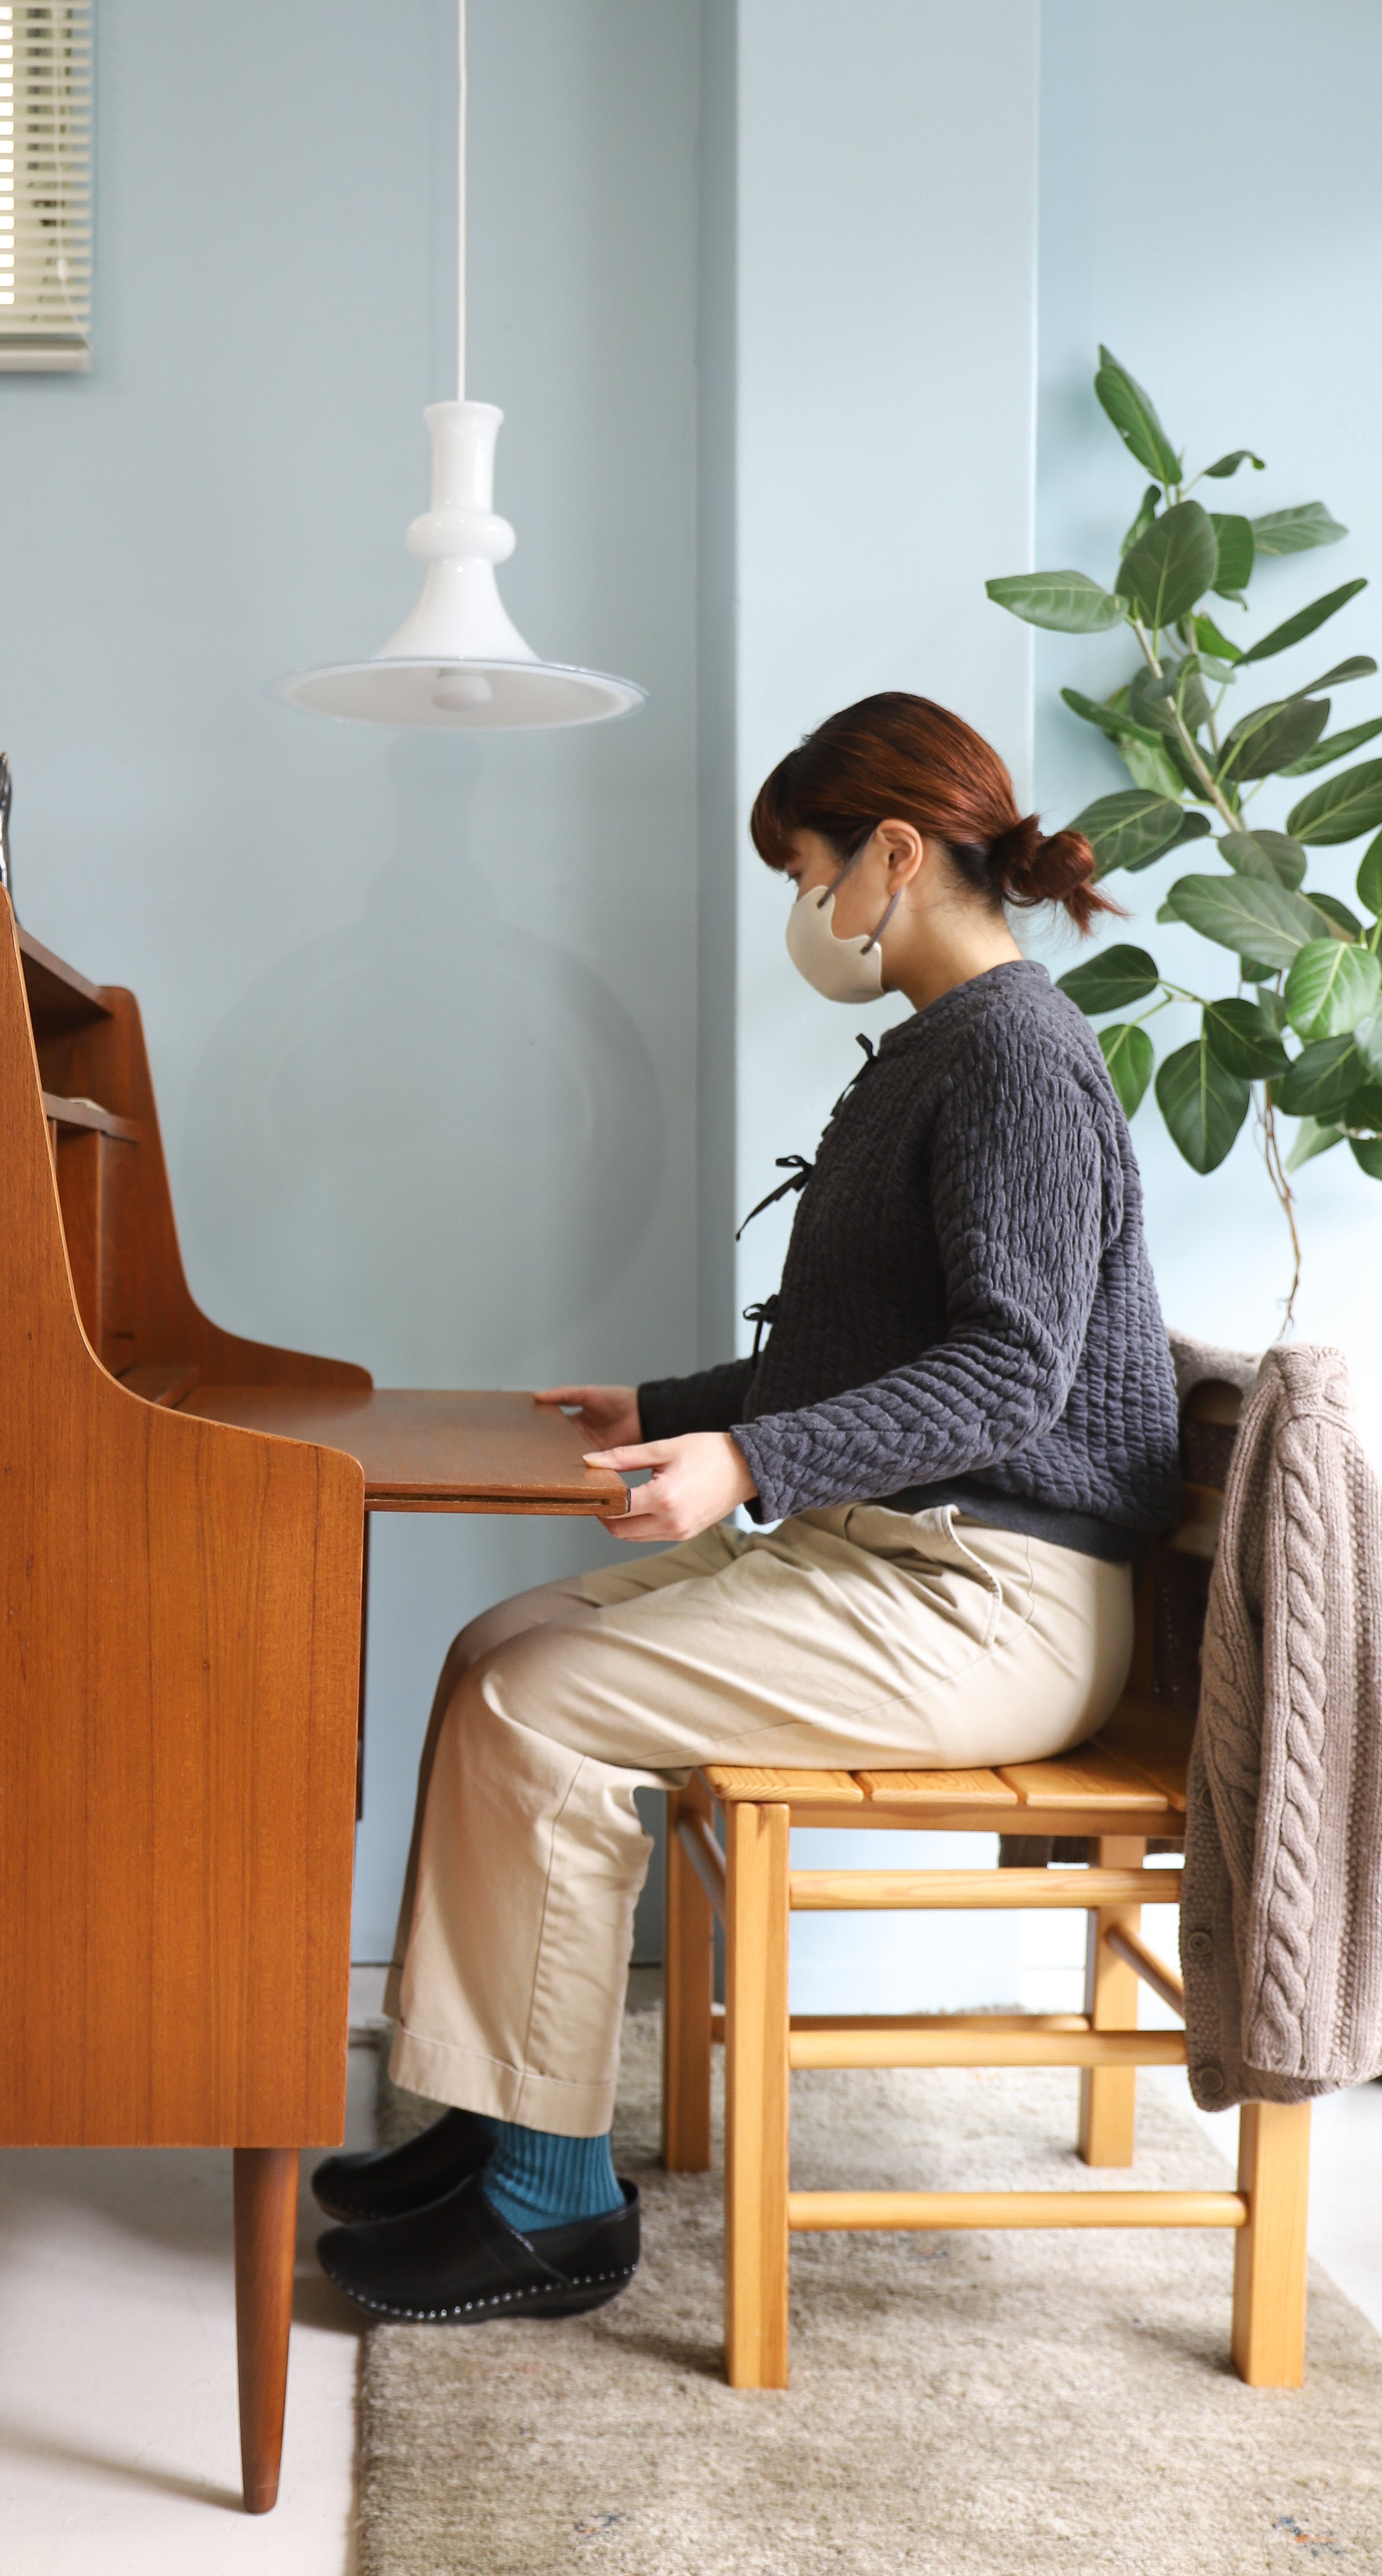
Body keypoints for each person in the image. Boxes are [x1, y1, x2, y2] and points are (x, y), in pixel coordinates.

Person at [313, 691, 1182, 2327]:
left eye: (809, 869)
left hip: (995, 1601)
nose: (808, 907)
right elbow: (873, 1346)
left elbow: (1012, 1379)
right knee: (494, 1650)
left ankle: (550, 2208)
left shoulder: (1014, 1058)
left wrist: (753, 1466)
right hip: (912, 1557)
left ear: (897, 856)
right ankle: (503, 2116)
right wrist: (672, 1411)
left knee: (535, 1701)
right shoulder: (946, 1049)